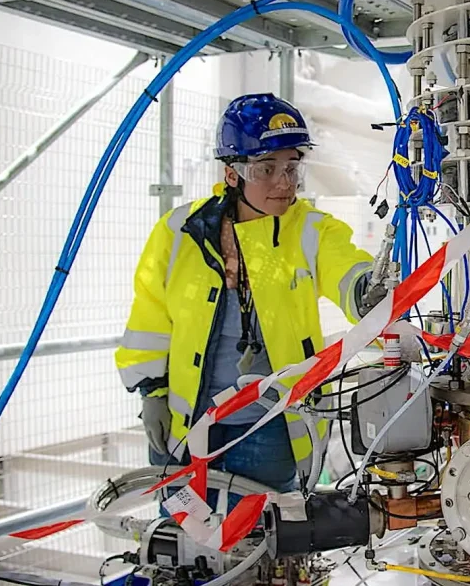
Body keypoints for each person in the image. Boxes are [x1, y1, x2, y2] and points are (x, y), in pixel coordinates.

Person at [114, 93, 387, 494]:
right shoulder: (180, 232)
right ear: (232, 173)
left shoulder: (310, 230)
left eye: (293, 167)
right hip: (186, 422)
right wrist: (151, 390)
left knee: (264, 541)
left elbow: (346, 266)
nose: (285, 182)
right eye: (266, 168)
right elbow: (150, 319)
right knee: (184, 540)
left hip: (269, 427)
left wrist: (366, 288)